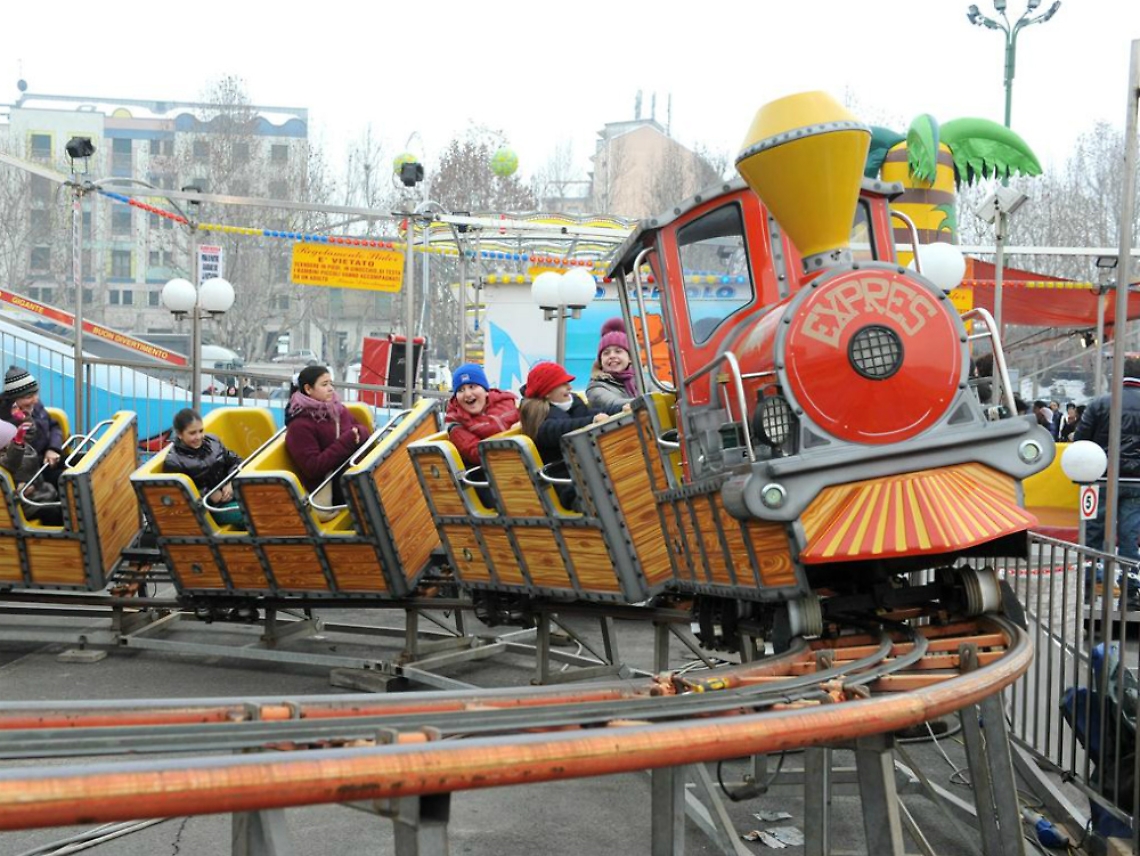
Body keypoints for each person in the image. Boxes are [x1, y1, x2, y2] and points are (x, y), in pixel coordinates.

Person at [519, 362, 624, 509]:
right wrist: (591, 422)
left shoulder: (573, 404)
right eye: (563, 384)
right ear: (547, 391)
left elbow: (595, 413)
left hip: (586, 475)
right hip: (566, 485)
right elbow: (557, 430)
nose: (570, 387)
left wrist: (621, 409)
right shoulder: (538, 418)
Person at [1074, 356, 1140, 573]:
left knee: (1094, 530)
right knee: (1130, 534)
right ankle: (1130, 587)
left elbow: (1081, 441)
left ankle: (1092, 580)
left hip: (1101, 478)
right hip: (1136, 482)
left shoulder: (1100, 403)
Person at [285, 364, 365, 507]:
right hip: (332, 491)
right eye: (324, 384)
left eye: (331, 383)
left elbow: (361, 429)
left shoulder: (337, 410)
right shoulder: (299, 425)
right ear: (308, 389)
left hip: (350, 478)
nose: (331, 388)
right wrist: (348, 441)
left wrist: (359, 433)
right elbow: (313, 467)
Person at [163, 408, 244, 526]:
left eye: (201, 431)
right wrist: (209, 494)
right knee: (252, 514)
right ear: (180, 434)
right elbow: (179, 494)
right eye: (192, 433)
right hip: (209, 510)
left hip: (232, 494)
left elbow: (236, 461)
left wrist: (230, 482)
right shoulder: (174, 461)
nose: (198, 437)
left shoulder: (213, 442)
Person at [444, 364, 519, 468]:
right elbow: (475, 452)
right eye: (461, 390)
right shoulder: (456, 423)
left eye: (472, 387)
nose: (468, 394)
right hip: (489, 475)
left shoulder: (505, 403)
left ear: (485, 391)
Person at [3, 366, 64, 486]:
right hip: (34, 471)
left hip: (51, 457)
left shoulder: (35, 406)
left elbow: (54, 426)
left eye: (36, 394)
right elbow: (9, 459)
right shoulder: (5, 423)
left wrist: (53, 448)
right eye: (28, 397)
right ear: (13, 400)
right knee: (67, 480)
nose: (35, 400)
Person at [0, 419, 62, 525]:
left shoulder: (23, 450)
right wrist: (19, 490)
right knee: (54, 513)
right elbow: (11, 463)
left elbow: (29, 433)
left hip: (39, 491)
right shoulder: (9, 460)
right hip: (23, 504)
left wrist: (26, 422)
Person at [586, 318, 638, 411]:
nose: (612, 356)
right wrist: (643, 402)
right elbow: (612, 403)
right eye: (606, 353)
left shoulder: (642, 379)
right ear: (600, 360)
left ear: (630, 358)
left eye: (618, 351)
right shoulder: (596, 387)